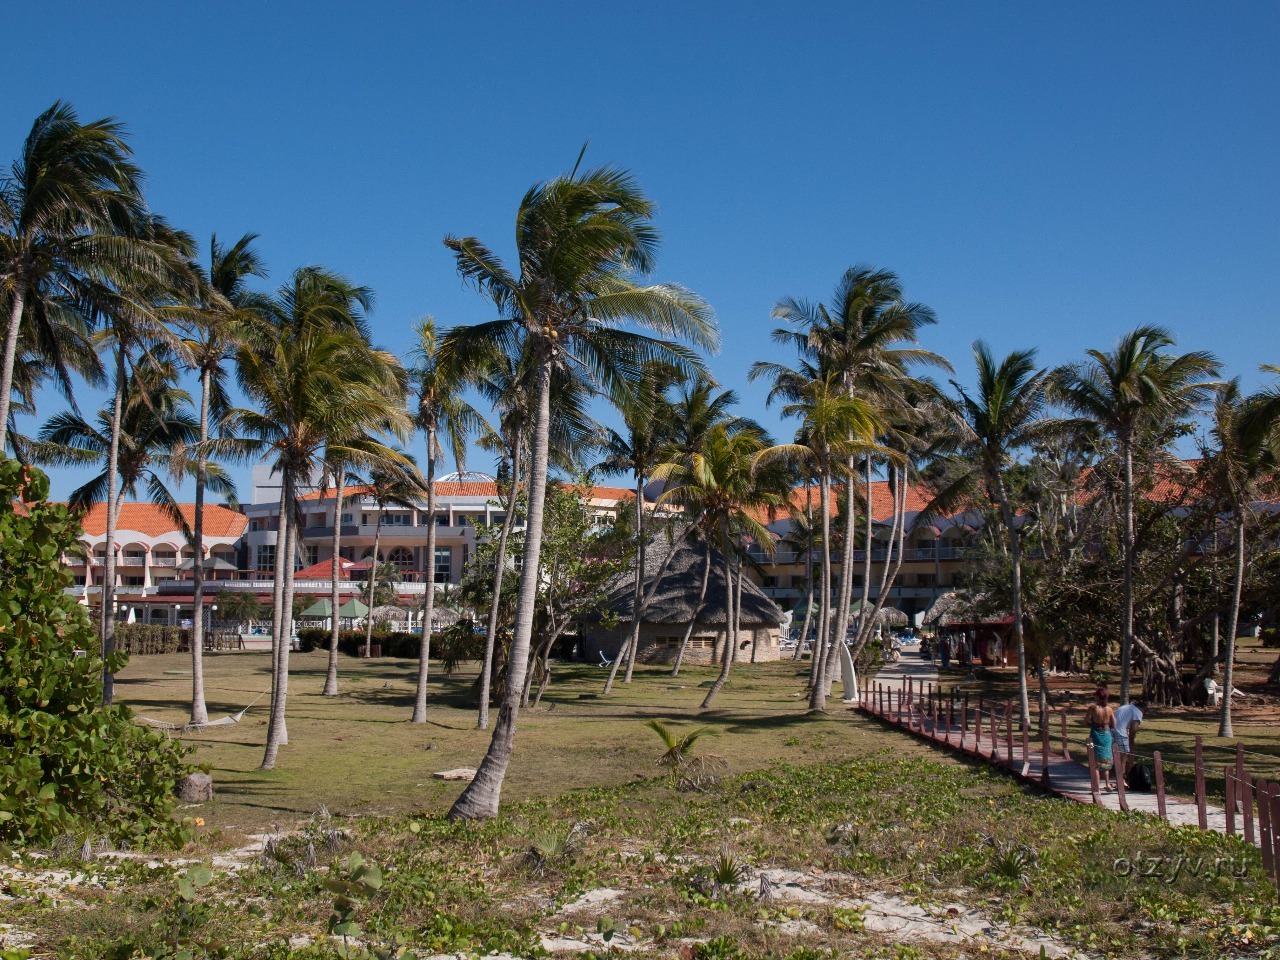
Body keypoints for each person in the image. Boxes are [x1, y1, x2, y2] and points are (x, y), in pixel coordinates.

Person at [1085, 686, 1117, 792]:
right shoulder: (1109, 709)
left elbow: (1086, 721)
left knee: (1095, 762)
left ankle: (1096, 787)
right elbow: (1114, 724)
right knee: (1106, 760)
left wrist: (1093, 724)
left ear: (1098, 697)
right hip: (1106, 735)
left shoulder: (1093, 708)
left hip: (1095, 734)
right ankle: (1107, 784)